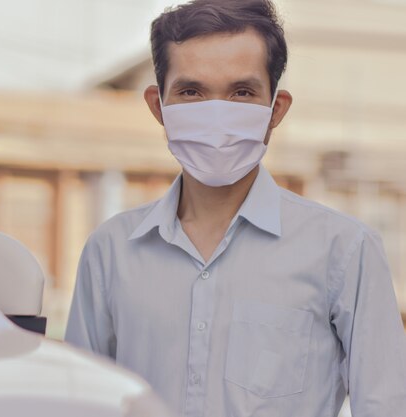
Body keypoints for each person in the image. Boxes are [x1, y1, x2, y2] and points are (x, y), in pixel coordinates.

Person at [64, 0, 406, 416]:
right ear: (158, 106)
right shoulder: (109, 251)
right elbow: (80, 403)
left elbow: (386, 405)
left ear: (275, 110)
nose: (216, 115)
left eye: (241, 92)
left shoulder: (345, 251)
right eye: (192, 92)